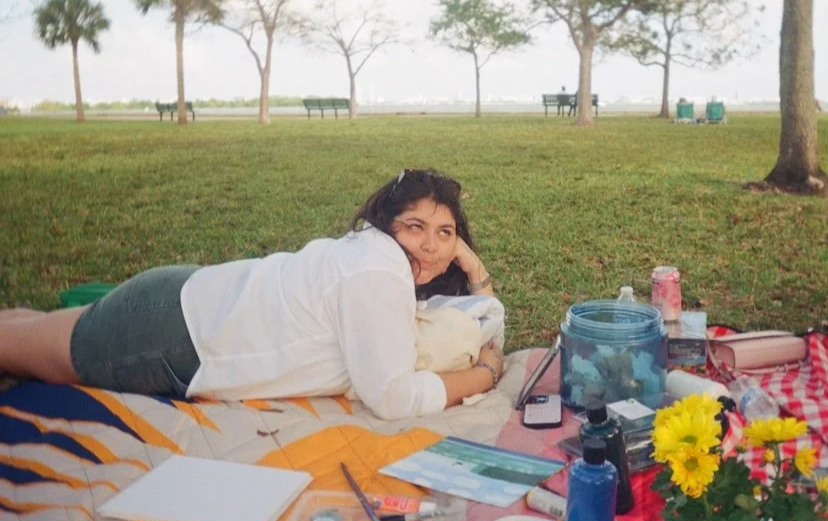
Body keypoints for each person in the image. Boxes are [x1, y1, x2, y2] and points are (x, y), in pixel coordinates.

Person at [0, 168, 504, 421]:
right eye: (416, 226)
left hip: (182, 303)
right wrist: (484, 374)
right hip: (172, 335)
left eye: (445, 233)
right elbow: (393, 398)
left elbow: (481, 317)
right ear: (387, 223)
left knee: (25, 327)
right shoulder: (376, 273)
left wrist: (473, 266)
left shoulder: (372, 255)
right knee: (16, 347)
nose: (432, 246)